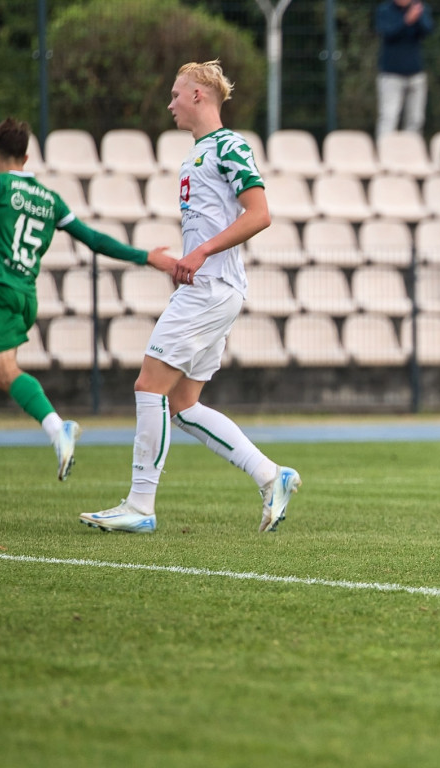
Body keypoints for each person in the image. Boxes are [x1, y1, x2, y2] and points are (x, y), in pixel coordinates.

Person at [81, 60, 301, 534]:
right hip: (211, 288)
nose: (170, 104)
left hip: (212, 287)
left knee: (148, 387)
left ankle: (140, 506)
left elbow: (260, 213)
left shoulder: (227, 145)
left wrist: (199, 253)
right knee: (181, 404)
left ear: (198, 96)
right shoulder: (198, 154)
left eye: (176, 94)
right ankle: (271, 475)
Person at [0, 117, 174, 487]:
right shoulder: (49, 199)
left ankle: (57, 427)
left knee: (2, 371)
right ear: (26, 158)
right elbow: (92, 238)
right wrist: (144, 256)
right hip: (25, 296)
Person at [375, 0, 434, 138]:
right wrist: (406, 21)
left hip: (415, 73)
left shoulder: (420, 8)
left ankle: (411, 154)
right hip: (391, 74)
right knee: (389, 117)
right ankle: (385, 152)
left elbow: (428, 30)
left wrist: (417, 18)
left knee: (416, 119)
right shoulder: (385, 10)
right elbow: (387, 32)